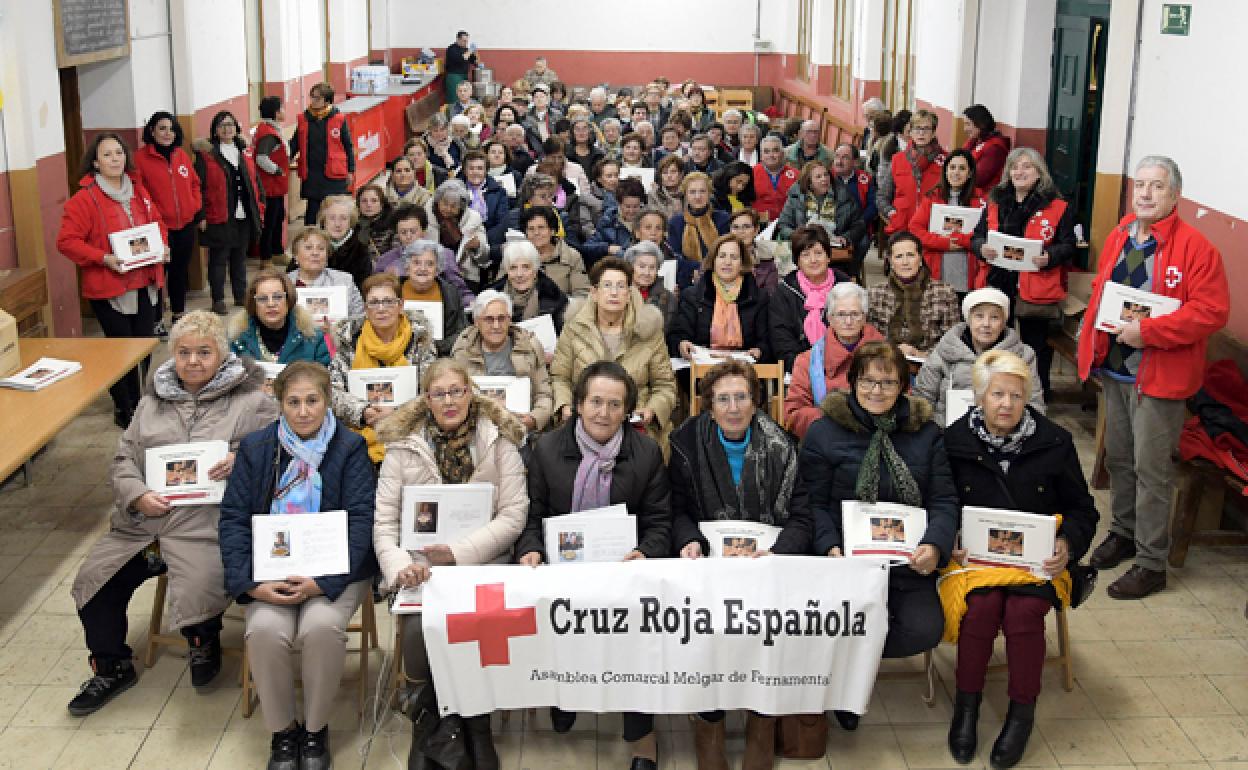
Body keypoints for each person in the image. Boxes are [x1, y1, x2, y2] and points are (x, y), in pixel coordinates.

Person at [67, 312, 278, 716]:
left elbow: (279, 454)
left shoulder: (252, 402)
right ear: (172, 356)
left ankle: (203, 640)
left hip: (207, 524)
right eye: (184, 353)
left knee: (201, 580)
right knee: (94, 582)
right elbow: (123, 459)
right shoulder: (150, 404)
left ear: (222, 354)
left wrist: (242, 459)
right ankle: (111, 666)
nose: (193, 361)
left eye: (204, 352)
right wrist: (138, 494)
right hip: (143, 526)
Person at [1078, 155, 1229, 599]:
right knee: (1120, 459)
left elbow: (1210, 312)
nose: (1145, 193)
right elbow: (1105, 288)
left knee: (1151, 470)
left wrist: (1148, 331)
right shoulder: (1122, 234)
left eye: (1156, 186)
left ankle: (1151, 561)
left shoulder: (1198, 248)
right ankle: (1123, 532)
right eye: (1139, 184)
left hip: (1159, 376)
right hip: (1116, 369)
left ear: (1175, 194)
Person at [942, 350, 1099, 768]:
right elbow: (939, 503)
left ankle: (1021, 713)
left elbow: (1085, 510)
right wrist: (950, 537)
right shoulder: (954, 442)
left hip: (1036, 565)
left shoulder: (1055, 442)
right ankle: (967, 707)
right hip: (976, 562)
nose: (1006, 404)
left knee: (1024, 613)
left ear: (1027, 397)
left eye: (1015, 395)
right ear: (979, 397)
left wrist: (1067, 543)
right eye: (997, 394)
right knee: (980, 609)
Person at [219, 361, 376, 770]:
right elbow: (233, 519)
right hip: (269, 574)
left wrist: (323, 582)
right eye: (294, 402)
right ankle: (284, 732)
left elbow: (362, 523)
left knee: (320, 627)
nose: (304, 411)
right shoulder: (256, 449)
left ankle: (315, 730)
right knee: (266, 629)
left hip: (333, 574)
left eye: (312, 400)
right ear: (280, 404)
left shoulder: (350, 447)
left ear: (327, 401)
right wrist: (251, 585)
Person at [516, 362, 672, 768]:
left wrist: (646, 554)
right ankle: (565, 694)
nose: (603, 413)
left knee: (638, 629)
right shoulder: (547, 449)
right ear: (579, 405)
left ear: (628, 411)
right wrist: (530, 549)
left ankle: (641, 737)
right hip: (562, 569)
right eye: (595, 402)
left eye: (614, 404)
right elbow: (530, 516)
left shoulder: (647, 452)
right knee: (556, 613)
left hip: (624, 570)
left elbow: (660, 523)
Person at [374, 359, 527, 770]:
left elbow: (514, 515)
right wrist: (399, 568)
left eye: (456, 391)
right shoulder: (403, 445)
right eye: (439, 394)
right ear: (427, 399)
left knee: (477, 624)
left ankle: (476, 723)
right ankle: (430, 724)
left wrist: (459, 554)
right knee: (416, 631)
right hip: (421, 566)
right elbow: (385, 524)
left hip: (484, 562)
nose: (449, 401)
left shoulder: (499, 440)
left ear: (470, 391)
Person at [798, 341, 959, 728]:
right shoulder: (824, 432)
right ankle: (846, 689)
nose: (876, 391)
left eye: (887, 383)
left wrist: (934, 546)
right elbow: (810, 503)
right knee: (835, 622)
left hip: (907, 566)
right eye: (868, 381)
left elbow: (944, 500)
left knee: (924, 629)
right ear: (852, 383)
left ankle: (853, 667)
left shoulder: (927, 433)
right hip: (844, 562)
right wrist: (828, 547)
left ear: (904, 385)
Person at [669, 359, 811, 769]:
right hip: (709, 567)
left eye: (741, 397)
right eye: (723, 399)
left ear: (756, 402)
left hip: (766, 567)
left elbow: (801, 517)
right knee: (707, 631)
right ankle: (710, 722)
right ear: (708, 406)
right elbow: (676, 509)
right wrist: (690, 541)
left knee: (765, 632)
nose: (733, 407)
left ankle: (761, 721)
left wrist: (778, 554)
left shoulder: (784, 446)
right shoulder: (684, 443)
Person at [58, 133, 167, 428]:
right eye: (107, 155)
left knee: (144, 347)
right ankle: (124, 406)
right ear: (95, 162)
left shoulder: (139, 191)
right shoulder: (84, 199)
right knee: (120, 352)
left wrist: (162, 247)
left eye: (118, 153)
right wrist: (102, 258)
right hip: (110, 287)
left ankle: (140, 401)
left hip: (144, 281)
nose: (115, 159)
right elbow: (67, 242)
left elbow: (157, 224)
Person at [970, 147, 1077, 399]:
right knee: (993, 340)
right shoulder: (994, 201)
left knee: (1035, 345)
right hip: (997, 281)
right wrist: (981, 248)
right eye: (1014, 167)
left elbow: (1069, 245)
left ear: (1040, 173)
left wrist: (1049, 257)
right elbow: (976, 236)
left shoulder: (1058, 206)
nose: (1019, 172)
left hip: (1036, 284)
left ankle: (1036, 395)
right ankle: (992, 390)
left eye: (1027, 166)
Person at [551, 257, 678, 449]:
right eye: (607, 285)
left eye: (621, 286)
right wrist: (564, 406)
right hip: (585, 420)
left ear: (629, 293)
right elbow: (560, 378)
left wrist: (652, 410)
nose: (614, 293)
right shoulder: (573, 328)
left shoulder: (649, 330)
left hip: (635, 424)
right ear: (594, 292)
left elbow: (665, 385)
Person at [328, 273, 437, 464]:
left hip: (411, 433)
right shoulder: (349, 341)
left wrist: (397, 412)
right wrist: (363, 411)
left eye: (388, 301)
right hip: (359, 435)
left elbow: (431, 391)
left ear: (400, 305)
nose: (381, 309)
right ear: (365, 309)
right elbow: (332, 391)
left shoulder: (420, 341)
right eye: (374, 303)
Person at [914, 287, 1043, 425]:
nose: (986, 324)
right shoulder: (944, 350)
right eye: (979, 316)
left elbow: (1034, 404)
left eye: (994, 317)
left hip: (1003, 434)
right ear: (968, 320)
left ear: (1003, 322)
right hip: (946, 433)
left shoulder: (1023, 355)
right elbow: (923, 399)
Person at [785, 281, 884, 439]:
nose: (848, 321)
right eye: (841, 314)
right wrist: (835, 423)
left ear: (865, 317)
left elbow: (902, 401)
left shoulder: (887, 355)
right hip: (828, 442)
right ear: (830, 318)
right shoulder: (807, 361)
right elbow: (794, 413)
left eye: (855, 314)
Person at [451, 289, 555, 432]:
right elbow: (454, 395)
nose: (496, 326)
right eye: (489, 319)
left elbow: (544, 394)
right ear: (476, 322)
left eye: (501, 318)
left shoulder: (529, 346)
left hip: (521, 429)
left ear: (509, 320)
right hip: (474, 430)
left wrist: (533, 419)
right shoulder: (463, 349)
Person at [194, 110, 265, 316]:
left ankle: (240, 294)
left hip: (243, 215)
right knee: (218, 260)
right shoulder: (206, 156)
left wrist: (260, 204)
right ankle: (218, 299)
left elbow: (255, 181)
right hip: (219, 215)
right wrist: (201, 215)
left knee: (239, 258)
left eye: (231, 124)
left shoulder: (245, 151)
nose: (227, 129)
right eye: (222, 125)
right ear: (215, 130)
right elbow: (197, 186)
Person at [134, 111, 202, 326]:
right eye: (162, 128)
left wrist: (194, 205)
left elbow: (194, 183)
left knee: (179, 272)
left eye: (171, 128)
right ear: (152, 131)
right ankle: (156, 320)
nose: (167, 133)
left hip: (184, 225)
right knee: (157, 277)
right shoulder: (140, 159)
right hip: (157, 230)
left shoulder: (181, 155)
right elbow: (138, 194)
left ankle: (178, 314)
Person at [668, 233, 770, 362]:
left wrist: (760, 350)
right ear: (713, 260)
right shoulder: (692, 295)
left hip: (746, 368)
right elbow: (677, 335)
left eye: (734, 257)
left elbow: (766, 340)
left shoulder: (759, 297)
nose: (727, 262)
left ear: (742, 264)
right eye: (722, 256)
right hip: (701, 366)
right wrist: (681, 344)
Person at [769, 224, 854, 371]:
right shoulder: (785, 291)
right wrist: (808, 368)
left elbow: (855, 332)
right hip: (798, 368)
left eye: (818, 253)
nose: (813, 260)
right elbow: (781, 341)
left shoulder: (846, 288)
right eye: (805, 255)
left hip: (843, 367)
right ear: (798, 261)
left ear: (828, 257)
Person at [867, 231, 960, 360]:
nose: (905, 262)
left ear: (920, 258)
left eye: (910, 255)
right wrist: (891, 350)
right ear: (890, 261)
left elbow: (952, 340)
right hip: (884, 361)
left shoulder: (944, 292)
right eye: (899, 256)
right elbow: (869, 337)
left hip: (930, 364)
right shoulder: (875, 293)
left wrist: (924, 355)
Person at [911, 148, 985, 292]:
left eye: (962, 168)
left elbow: (985, 233)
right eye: (952, 167)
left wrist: (960, 240)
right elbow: (915, 229)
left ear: (970, 173)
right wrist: (943, 243)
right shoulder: (932, 197)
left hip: (968, 271)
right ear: (945, 171)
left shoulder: (980, 199)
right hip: (936, 269)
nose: (956, 172)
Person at [229, 267, 331, 366]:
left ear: (288, 299)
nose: (271, 304)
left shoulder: (313, 337)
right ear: (253, 303)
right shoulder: (237, 338)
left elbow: (325, 377)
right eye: (262, 298)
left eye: (278, 297)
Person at [374, 205, 473, 304]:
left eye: (413, 231)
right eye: (403, 232)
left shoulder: (444, 255)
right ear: (397, 234)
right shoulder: (386, 260)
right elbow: (375, 291)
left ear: (423, 231)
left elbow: (460, 290)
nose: (408, 236)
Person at [291, 82, 354, 226]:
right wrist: (284, 158)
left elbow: (348, 146)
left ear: (326, 101)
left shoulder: (338, 119)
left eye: (317, 98)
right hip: (312, 172)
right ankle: (310, 236)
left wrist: (351, 170)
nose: (313, 101)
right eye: (311, 97)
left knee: (334, 208)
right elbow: (295, 143)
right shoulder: (304, 119)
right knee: (312, 208)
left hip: (334, 173)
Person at [879, 110, 945, 238]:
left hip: (931, 229)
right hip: (902, 226)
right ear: (910, 132)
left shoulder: (945, 161)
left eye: (926, 129)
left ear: (933, 133)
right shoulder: (897, 159)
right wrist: (892, 213)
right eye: (917, 128)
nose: (921, 133)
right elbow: (882, 196)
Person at [400, 239, 468, 357]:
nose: (423, 268)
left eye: (430, 264)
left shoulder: (451, 293)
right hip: (398, 354)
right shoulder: (393, 290)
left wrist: (435, 346)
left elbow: (461, 332)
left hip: (441, 355)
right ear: (407, 267)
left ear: (437, 270)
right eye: (416, 263)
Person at [775, 160, 865, 248]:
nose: (824, 179)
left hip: (834, 242)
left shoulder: (844, 194)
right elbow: (783, 224)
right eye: (818, 176)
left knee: (864, 241)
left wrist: (846, 238)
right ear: (809, 182)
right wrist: (797, 235)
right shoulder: (795, 196)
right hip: (804, 243)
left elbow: (859, 224)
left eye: (826, 175)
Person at [489, 240, 571, 335]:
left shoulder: (555, 298)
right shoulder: (490, 298)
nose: (519, 274)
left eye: (526, 267)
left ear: (535, 271)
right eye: (513, 268)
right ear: (507, 271)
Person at [426, 179, 492, 293]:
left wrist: (477, 247)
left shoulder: (473, 219)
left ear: (461, 207)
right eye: (445, 204)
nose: (448, 209)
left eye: (453, 206)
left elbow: (485, 258)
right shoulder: (425, 216)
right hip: (431, 272)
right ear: (438, 201)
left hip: (464, 275)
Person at [287, 226, 366, 320]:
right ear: (296, 255)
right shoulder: (284, 283)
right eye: (308, 248)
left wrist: (338, 329)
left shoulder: (344, 280)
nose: (315, 253)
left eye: (321, 248)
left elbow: (359, 316)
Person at [252, 97, 290, 266]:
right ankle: (266, 258)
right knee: (270, 222)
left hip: (276, 186)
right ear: (276, 113)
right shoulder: (268, 134)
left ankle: (277, 252)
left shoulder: (270, 130)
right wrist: (277, 170)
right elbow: (261, 158)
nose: (284, 111)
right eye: (282, 108)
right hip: (270, 186)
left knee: (278, 217)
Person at [522, 206, 591, 298]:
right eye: (531, 229)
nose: (536, 233)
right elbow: (502, 290)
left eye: (541, 227)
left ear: (553, 231)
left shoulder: (572, 256)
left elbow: (581, 293)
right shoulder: (515, 255)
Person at [831, 142, 876, 280]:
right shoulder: (826, 177)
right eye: (837, 156)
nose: (839, 161)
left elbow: (873, 206)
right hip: (831, 224)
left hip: (858, 226)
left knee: (862, 243)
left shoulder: (865, 179)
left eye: (845, 157)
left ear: (855, 162)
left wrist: (860, 223)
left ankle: (851, 275)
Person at [666, 171, 731, 267]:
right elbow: (675, 257)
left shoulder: (723, 219)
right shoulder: (675, 222)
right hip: (686, 275)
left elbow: (727, 252)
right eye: (692, 192)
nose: (698, 196)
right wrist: (696, 268)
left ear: (709, 193)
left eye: (702, 191)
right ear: (686, 194)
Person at [582, 177, 646, 268]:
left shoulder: (649, 220)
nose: (631, 211)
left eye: (636, 206)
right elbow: (587, 247)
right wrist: (607, 248)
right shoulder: (608, 221)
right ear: (619, 204)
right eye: (627, 206)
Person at [458, 150, 510, 258]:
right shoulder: (455, 190)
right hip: (460, 241)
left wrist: (481, 241)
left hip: (489, 242)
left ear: (486, 170)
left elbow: (501, 224)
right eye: (471, 168)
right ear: (465, 171)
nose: (475, 172)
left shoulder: (499, 192)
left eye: (480, 168)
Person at [318, 194, 373, 290]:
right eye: (332, 218)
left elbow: (363, 289)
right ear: (324, 221)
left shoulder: (360, 251)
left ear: (350, 222)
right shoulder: (308, 244)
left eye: (343, 218)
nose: (337, 224)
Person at [729, 207, 785, 295]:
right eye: (735, 227)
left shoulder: (768, 258)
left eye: (746, 227)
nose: (740, 231)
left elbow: (770, 294)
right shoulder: (718, 254)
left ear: (756, 230)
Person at [623, 240, 676, 328]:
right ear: (631, 267)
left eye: (652, 267)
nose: (647, 273)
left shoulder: (669, 299)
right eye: (642, 266)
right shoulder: (620, 293)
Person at [961, 104, 1011, 196]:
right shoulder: (975, 141)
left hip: (986, 198)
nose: (965, 129)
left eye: (968, 124)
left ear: (981, 124)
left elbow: (978, 179)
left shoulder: (995, 148)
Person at [752, 136, 799, 223]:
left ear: (782, 153)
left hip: (789, 223)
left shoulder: (796, 175)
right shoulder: (751, 173)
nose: (771, 155)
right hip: (758, 223)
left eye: (775, 150)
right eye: (766, 151)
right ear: (761, 155)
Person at [356, 183, 396, 262]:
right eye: (364, 201)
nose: (368, 205)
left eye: (374, 201)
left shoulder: (393, 225)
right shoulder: (353, 225)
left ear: (381, 204)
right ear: (358, 204)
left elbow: (396, 254)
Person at [443, 30, 478, 103]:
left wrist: (475, 52)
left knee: (464, 98)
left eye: (467, 41)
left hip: (464, 76)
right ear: (458, 39)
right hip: (454, 77)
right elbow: (462, 58)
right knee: (455, 98)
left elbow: (474, 61)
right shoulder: (452, 49)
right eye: (464, 41)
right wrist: (470, 50)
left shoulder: (466, 49)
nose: (465, 43)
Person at [649, 153, 687, 220]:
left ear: (681, 174)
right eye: (665, 172)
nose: (669, 176)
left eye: (673, 172)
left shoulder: (689, 193)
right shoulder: (654, 194)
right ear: (660, 176)